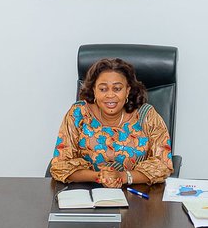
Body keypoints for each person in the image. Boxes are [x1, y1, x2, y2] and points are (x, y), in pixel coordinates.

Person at [49, 57, 173, 185]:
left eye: (117, 88)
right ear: (94, 91)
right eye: (103, 89)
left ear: (127, 91)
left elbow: (163, 164)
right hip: (87, 194)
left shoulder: (147, 115)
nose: (110, 95)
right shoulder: (79, 113)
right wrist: (99, 176)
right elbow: (60, 165)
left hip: (136, 194)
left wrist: (124, 177)